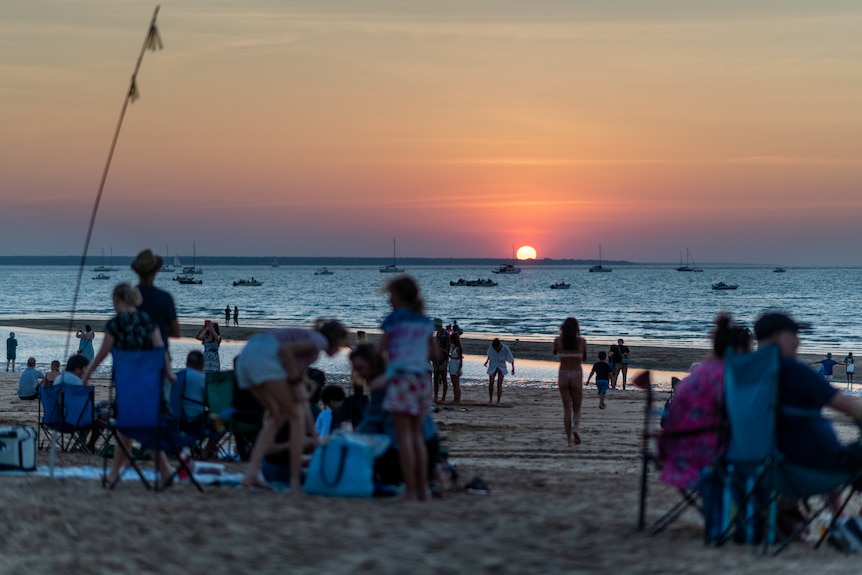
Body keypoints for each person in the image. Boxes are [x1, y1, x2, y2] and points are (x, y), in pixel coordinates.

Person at [235, 319, 348, 490]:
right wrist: (295, 379)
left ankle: (250, 473)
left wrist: (315, 437)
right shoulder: (318, 340)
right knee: (295, 418)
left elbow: (302, 402)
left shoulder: (304, 356)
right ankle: (294, 481)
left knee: (278, 416)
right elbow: (286, 350)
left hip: (246, 357)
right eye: (341, 343)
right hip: (264, 356)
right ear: (335, 338)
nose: (340, 349)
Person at [82, 282, 174, 489]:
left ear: (117, 300)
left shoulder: (116, 324)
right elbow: (161, 351)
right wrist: (168, 373)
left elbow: (104, 353)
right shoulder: (148, 321)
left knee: (127, 427)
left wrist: (88, 373)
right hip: (149, 386)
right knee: (142, 427)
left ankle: (116, 474)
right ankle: (163, 471)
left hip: (126, 387)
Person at [659, 314, 753, 489]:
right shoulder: (732, 378)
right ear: (739, 350)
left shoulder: (697, 376)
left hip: (679, 457)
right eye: (750, 349)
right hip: (712, 458)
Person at [380, 275, 437, 502]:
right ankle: (423, 489)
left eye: (390, 296)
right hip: (422, 379)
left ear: (399, 296)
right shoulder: (425, 321)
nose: (389, 301)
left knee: (403, 438)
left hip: (401, 378)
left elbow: (380, 351)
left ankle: (410, 490)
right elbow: (434, 354)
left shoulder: (394, 320)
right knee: (417, 436)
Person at [131, 249, 180, 352]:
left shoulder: (128, 297)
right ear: (155, 272)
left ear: (137, 272)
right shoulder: (165, 298)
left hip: (133, 356)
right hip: (159, 358)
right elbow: (176, 332)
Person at [553, 318, 587, 446]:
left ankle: (568, 441)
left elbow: (554, 352)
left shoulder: (558, 341)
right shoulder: (582, 342)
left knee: (566, 409)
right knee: (577, 408)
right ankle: (575, 429)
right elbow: (584, 357)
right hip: (577, 373)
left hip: (563, 374)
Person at [484, 338, 514, 405]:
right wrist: (486, 361)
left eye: (496, 348)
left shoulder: (505, 348)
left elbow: (511, 358)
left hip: (501, 365)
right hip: (493, 364)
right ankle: (490, 400)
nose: (496, 349)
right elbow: (489, 355)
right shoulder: (491, 347)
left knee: (499, 384)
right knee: (491, 382)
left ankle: (498, 401)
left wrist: (513, 368)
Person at [432, 318, 450, 403]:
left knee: (443, 378)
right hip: (436, 359)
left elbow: (448, 347)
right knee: (435, 378)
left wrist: (445, 359)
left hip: (443, 359)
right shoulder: (437, 334)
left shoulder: (445, 334)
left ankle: (443, 397)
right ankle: (435, 396)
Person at [448, 331, 463, 404]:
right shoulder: (454, 347)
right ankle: (455, 398)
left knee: (456, 383)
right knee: (454, 383)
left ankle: (457, 398)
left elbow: (460, 359)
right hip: (452, 363)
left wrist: (459, 369)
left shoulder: (458, 348)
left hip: (455, 364)